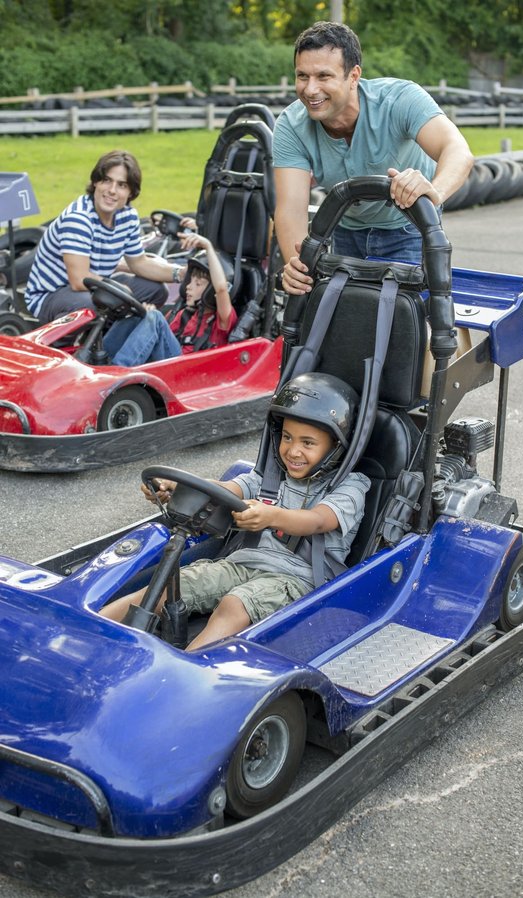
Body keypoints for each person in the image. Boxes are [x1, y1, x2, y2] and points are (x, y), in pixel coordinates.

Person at [101, 372, 371, 650]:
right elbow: (227, 488)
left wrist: (272, 516)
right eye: (287, 438)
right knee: (166, 587)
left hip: (297, 580)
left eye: (308, 443)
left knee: (235, 604)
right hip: (241, 564)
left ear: (336, 447)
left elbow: (317, 521)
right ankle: (90, 628)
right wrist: (175, 484)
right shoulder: (270, 477)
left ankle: (183, 670)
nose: (293, 451)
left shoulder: (350, 487)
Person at [272, 21, 474, 294]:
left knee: (405, 322)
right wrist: (297, 266)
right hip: (346, 228)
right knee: (349, 320)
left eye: (323, 76)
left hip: (407, 227)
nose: (310, 89)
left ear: (354, 76)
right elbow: (291, 207)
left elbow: (457, 150)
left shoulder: (400, 99)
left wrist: (434, 190)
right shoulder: (291, 125)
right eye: (302, 76)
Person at [24, 150, 187, 323]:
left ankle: (112, 338)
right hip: (50, 296)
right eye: (107, 180)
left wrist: (181, 273)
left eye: (122, 185)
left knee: (155, 289)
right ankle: (66, 347)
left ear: (131, 193)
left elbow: (139, 263)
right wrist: (118, 289)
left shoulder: (128, 216)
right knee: (93, 303)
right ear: (95, 182)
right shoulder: (79, 219)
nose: (112, 190)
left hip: (94, 288)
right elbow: (79, 280)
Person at [102, 234, 237, 367]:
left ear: (211, 290)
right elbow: (160, 337)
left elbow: (221, 288)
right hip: (170, 362)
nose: (189, 286)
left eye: (198, 283)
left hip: (188, 370)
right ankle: (100, 360)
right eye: (190, 281)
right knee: (138, 316)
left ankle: (120, 370)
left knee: (155, 318)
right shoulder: (184, 315)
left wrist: (208, 246)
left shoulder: (222, 321)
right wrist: (146, 317)